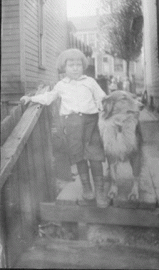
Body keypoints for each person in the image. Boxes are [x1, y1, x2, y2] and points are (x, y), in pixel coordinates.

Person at [20, 48, 109, 208]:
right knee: (78, 155)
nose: (75, 68)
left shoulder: (90, 82)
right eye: (71, 65)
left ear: (83, 66)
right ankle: (87, 190)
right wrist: (31, 98)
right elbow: (48, 97)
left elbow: (102, 98)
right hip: (72, 124)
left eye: (78, 64)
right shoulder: (61, 85)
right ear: (64, 67)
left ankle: (100, 192)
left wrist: (104, 108)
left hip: (91, 122)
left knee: (95, 155)